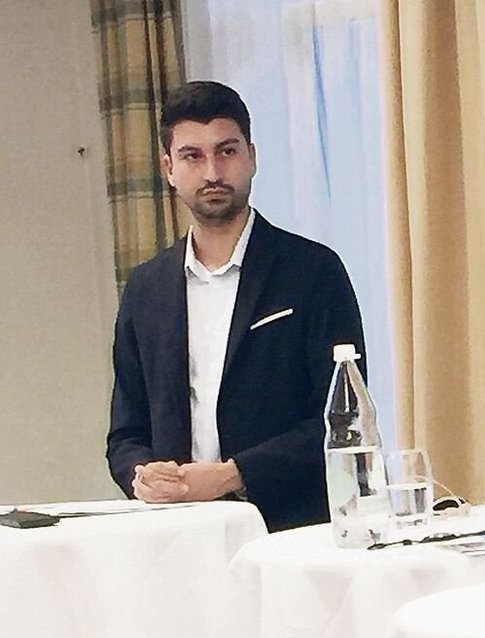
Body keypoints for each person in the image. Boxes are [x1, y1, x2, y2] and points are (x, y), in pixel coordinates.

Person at [106, 81, 366, 535]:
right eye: (192, 156)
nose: (211, 171)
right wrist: (142, 476)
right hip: (178, 534)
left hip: (294, 528)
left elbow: (344, 419)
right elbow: (125, 433)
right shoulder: (145, 288)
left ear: (252, 157)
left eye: (226, 151)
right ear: (168, 168)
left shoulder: (312, 271)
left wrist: (234, 473)